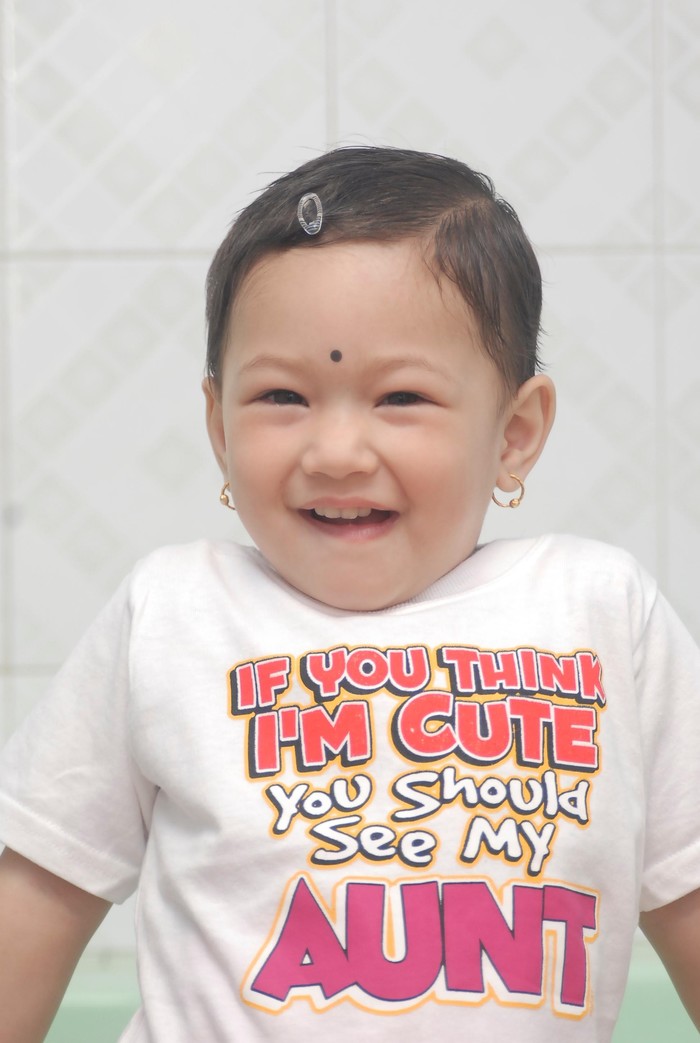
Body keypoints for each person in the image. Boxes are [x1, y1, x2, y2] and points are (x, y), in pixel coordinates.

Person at [0, 146, 698, 1043]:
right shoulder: (173, 614)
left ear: (515, 433)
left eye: (400, 397)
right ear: (219, 427)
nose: (334, 452)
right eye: (282, 395)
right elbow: (37, 897)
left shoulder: (599, 613)